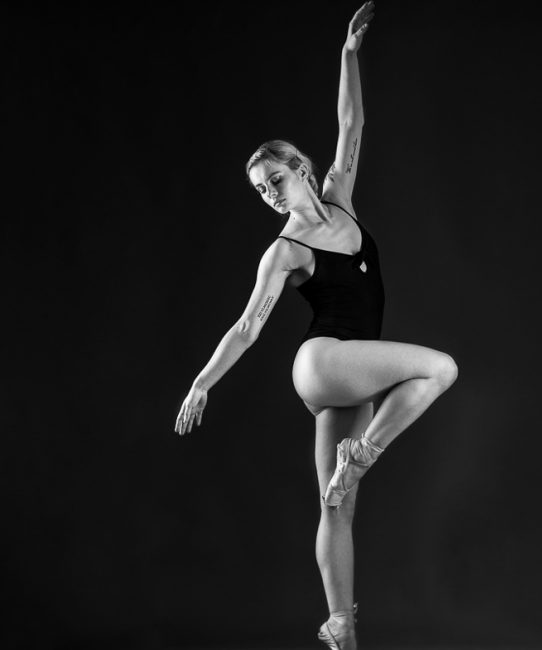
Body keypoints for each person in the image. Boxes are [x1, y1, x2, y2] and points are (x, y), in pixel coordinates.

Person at [174, 2, 457, 648]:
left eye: (272, 178)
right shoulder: (284, 249)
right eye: (259, 190)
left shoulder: (338, 196)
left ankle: (341, 631)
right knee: (440, 368)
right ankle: (361, 455)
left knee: (337, 504)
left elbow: (351, 122)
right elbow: (247, 326)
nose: (269, 193)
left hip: (348, 374)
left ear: (298, 166)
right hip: (323, 361)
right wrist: (201, 382)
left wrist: (348, 55)